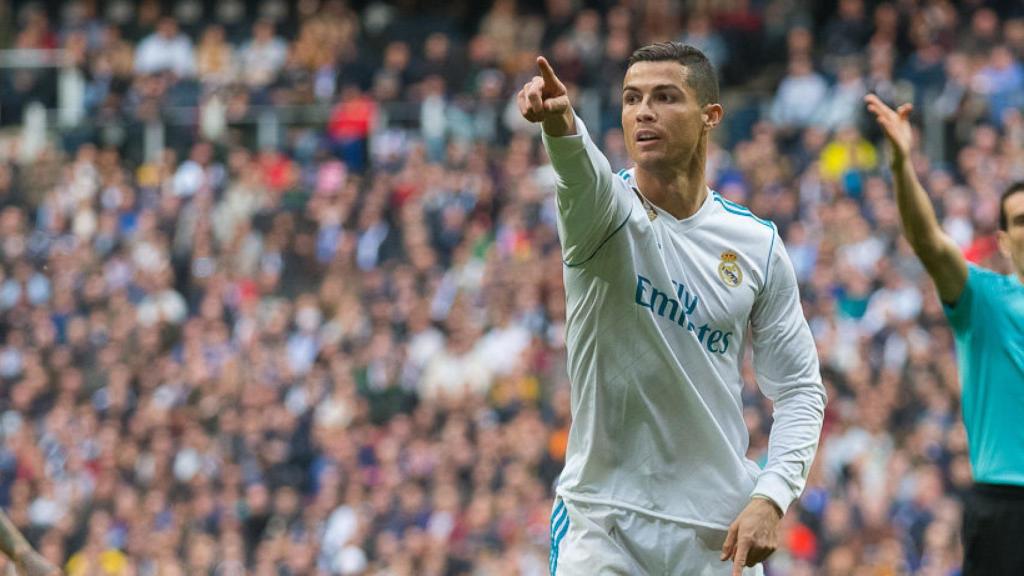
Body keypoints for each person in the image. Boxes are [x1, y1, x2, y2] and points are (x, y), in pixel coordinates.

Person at [518, 42, 827, 575]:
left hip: (717, 534)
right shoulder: (603, 214)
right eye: (632, 98)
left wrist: (772, 496)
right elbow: (579, 172)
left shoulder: (755, 245)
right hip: (604, 526)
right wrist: (562, 125)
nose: (644, 111)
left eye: (665, 97)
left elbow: (799, 389)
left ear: (710, 117)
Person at [866, 93, 1024, 575]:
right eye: (1020, 220)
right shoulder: (985, 298)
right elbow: (928, 241)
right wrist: (901, 164)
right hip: (1008, 507)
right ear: (1002, 239)